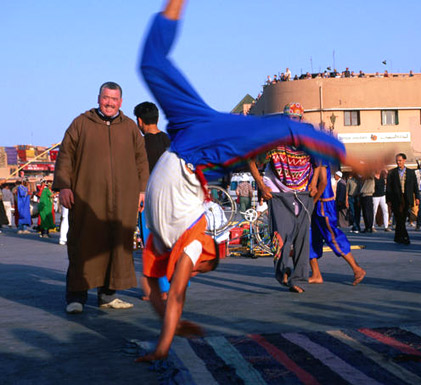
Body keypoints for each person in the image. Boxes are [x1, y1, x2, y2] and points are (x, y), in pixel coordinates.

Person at [136, 0, 349, 362]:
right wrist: (168, 336)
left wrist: (168, 332)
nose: (195, 269)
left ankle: (344, 153)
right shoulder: (191, 244)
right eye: (204, 264)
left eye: (200, 266)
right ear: (205, 252)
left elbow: (159, 291)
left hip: (190, 141)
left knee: (151, 65)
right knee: (277, 129)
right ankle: (350, 155)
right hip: (197, 148)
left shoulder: (166, 244)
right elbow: (174, 295)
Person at [53, 81, 149, 314]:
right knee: (83, 247)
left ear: (121, 102)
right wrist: (64, 186)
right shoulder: (81, 123)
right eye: (106, 98)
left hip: (122, 202)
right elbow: (65, 156)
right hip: (87, 200)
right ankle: (76, 297)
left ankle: (108, 296)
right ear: (98, 98)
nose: (109, 103)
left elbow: (141, 161)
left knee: (116, 247)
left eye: (114, 99)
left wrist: (142, 191)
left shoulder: (129, 128)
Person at [248, 103, 320, 294]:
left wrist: (313, 183)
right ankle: (282, 273)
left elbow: (319, 164)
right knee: (280, 237)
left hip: (302, 190)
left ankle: (298, 279)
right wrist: (261, 185)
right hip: (278, 191)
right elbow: (251, 160)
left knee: (303, 237)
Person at [134, 101, 172, 301]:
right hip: (170, 199)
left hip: (148, 200)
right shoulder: (169, 140)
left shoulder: (140, 144)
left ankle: (159, 289)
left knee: (152, 245)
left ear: (140, 121)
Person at [309, 162, 366, 285]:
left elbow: (323, 182)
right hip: (313, 203)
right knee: (309, 237)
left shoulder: (318, 153)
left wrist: (312, 202)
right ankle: (316, 274)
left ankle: (357, 269)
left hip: (323, 205)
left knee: (332, 236)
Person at [386, 153, 419, 245]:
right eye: (397, 160)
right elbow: (389, 187)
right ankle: (405, 237)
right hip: (396, 198)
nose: (398, 162)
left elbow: (415, 186)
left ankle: (398, 237)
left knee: (403, 217)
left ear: (404, 160)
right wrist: (388, 200)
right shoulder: (392, 173)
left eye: (400, 160)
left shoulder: (410, 172)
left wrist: (417, 197)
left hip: (406, 197)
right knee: (398, 216)